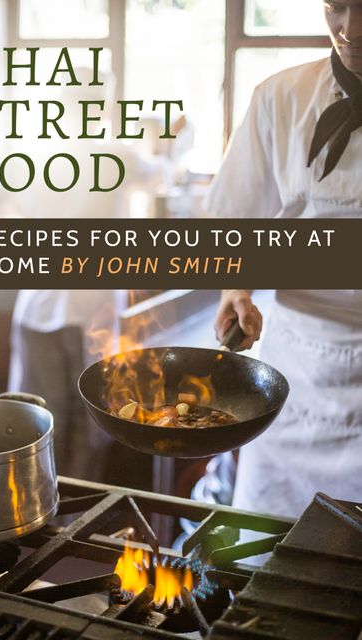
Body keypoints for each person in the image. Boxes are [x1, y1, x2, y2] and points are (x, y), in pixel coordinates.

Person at [206, 0, 362, 517]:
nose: (351, 29)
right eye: (337, 6)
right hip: (297, 374)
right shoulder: (280, 97)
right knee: (265, 552)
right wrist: (237, 291)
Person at [8, 70, 172, 479]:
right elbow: (162, 176)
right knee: (90, 415)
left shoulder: (36, 153)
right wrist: (165, 143)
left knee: (40, 417)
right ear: (102, 105)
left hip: (39, 303)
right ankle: (77, 514)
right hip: (90, 303)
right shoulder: (116, 154)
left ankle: (35, 509)